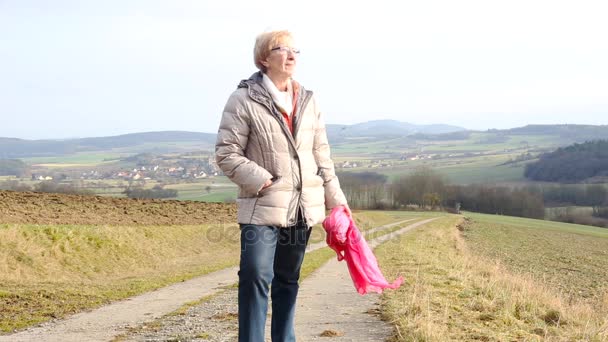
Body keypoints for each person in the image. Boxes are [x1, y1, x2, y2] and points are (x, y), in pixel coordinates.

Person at [215, 30, 349, 342]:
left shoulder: (309, 100)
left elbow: (322, 156)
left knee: (288, 279)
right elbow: (226, 153)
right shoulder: (243, 99)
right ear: (263, 59)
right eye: (280, 49)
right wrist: (264, 180)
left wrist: (337, 201)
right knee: (254, 275)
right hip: (261, 206)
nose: (290, 55)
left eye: (294, 50)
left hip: (301, 209)